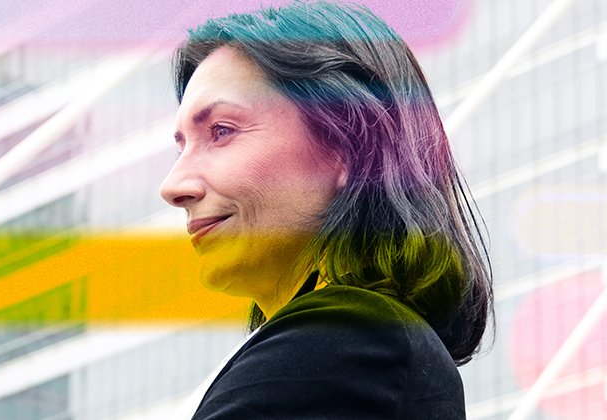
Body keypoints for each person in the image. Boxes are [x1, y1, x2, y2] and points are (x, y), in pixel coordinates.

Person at [158, 1, 491, 418]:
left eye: (221, 131)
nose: (173, 186)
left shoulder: (351, 339)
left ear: (345, 148)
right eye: (181, 148)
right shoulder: (358, 346)